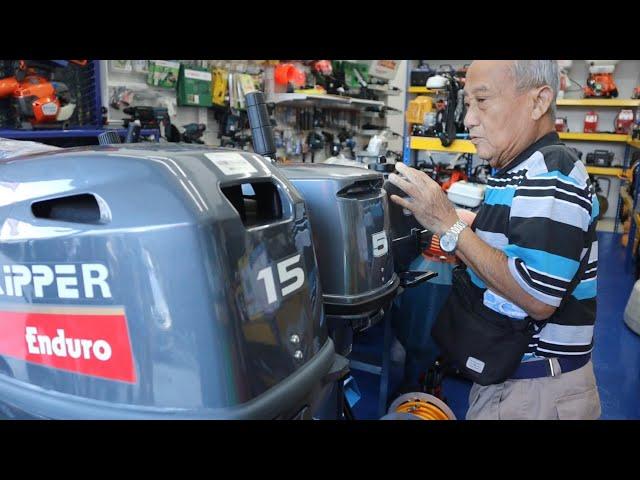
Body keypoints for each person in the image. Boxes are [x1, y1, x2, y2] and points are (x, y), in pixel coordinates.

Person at [388, 60, 601, 420]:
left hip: (535, 394)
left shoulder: (549, 176)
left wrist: (450, 225)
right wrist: (470, 226)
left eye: (482, 101)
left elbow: (537, 296)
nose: (469, 119)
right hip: (510, 382)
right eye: (468, 103)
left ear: (538, 101)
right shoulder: (518, 170)